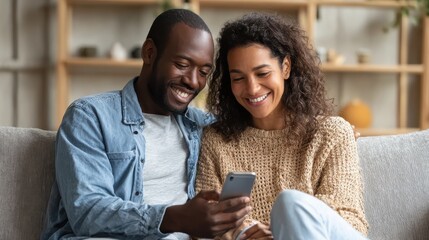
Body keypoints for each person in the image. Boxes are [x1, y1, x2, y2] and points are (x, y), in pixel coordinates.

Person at [41, 9, 252, 240]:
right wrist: (176, 218)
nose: (193, 81)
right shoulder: (90, 116)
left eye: (203, 72)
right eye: (182, 64)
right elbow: (88, 212)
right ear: (149, 53)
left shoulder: (201, 126)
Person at [196, 12, 369, 240]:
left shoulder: (331, 133)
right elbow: (205, 227)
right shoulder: (217, 141)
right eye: (238, 78)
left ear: (285, 67)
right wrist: (242, 233)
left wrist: (283, 226)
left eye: (262, 73)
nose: (252, 88)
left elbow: (351, 221)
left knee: (289, 203)